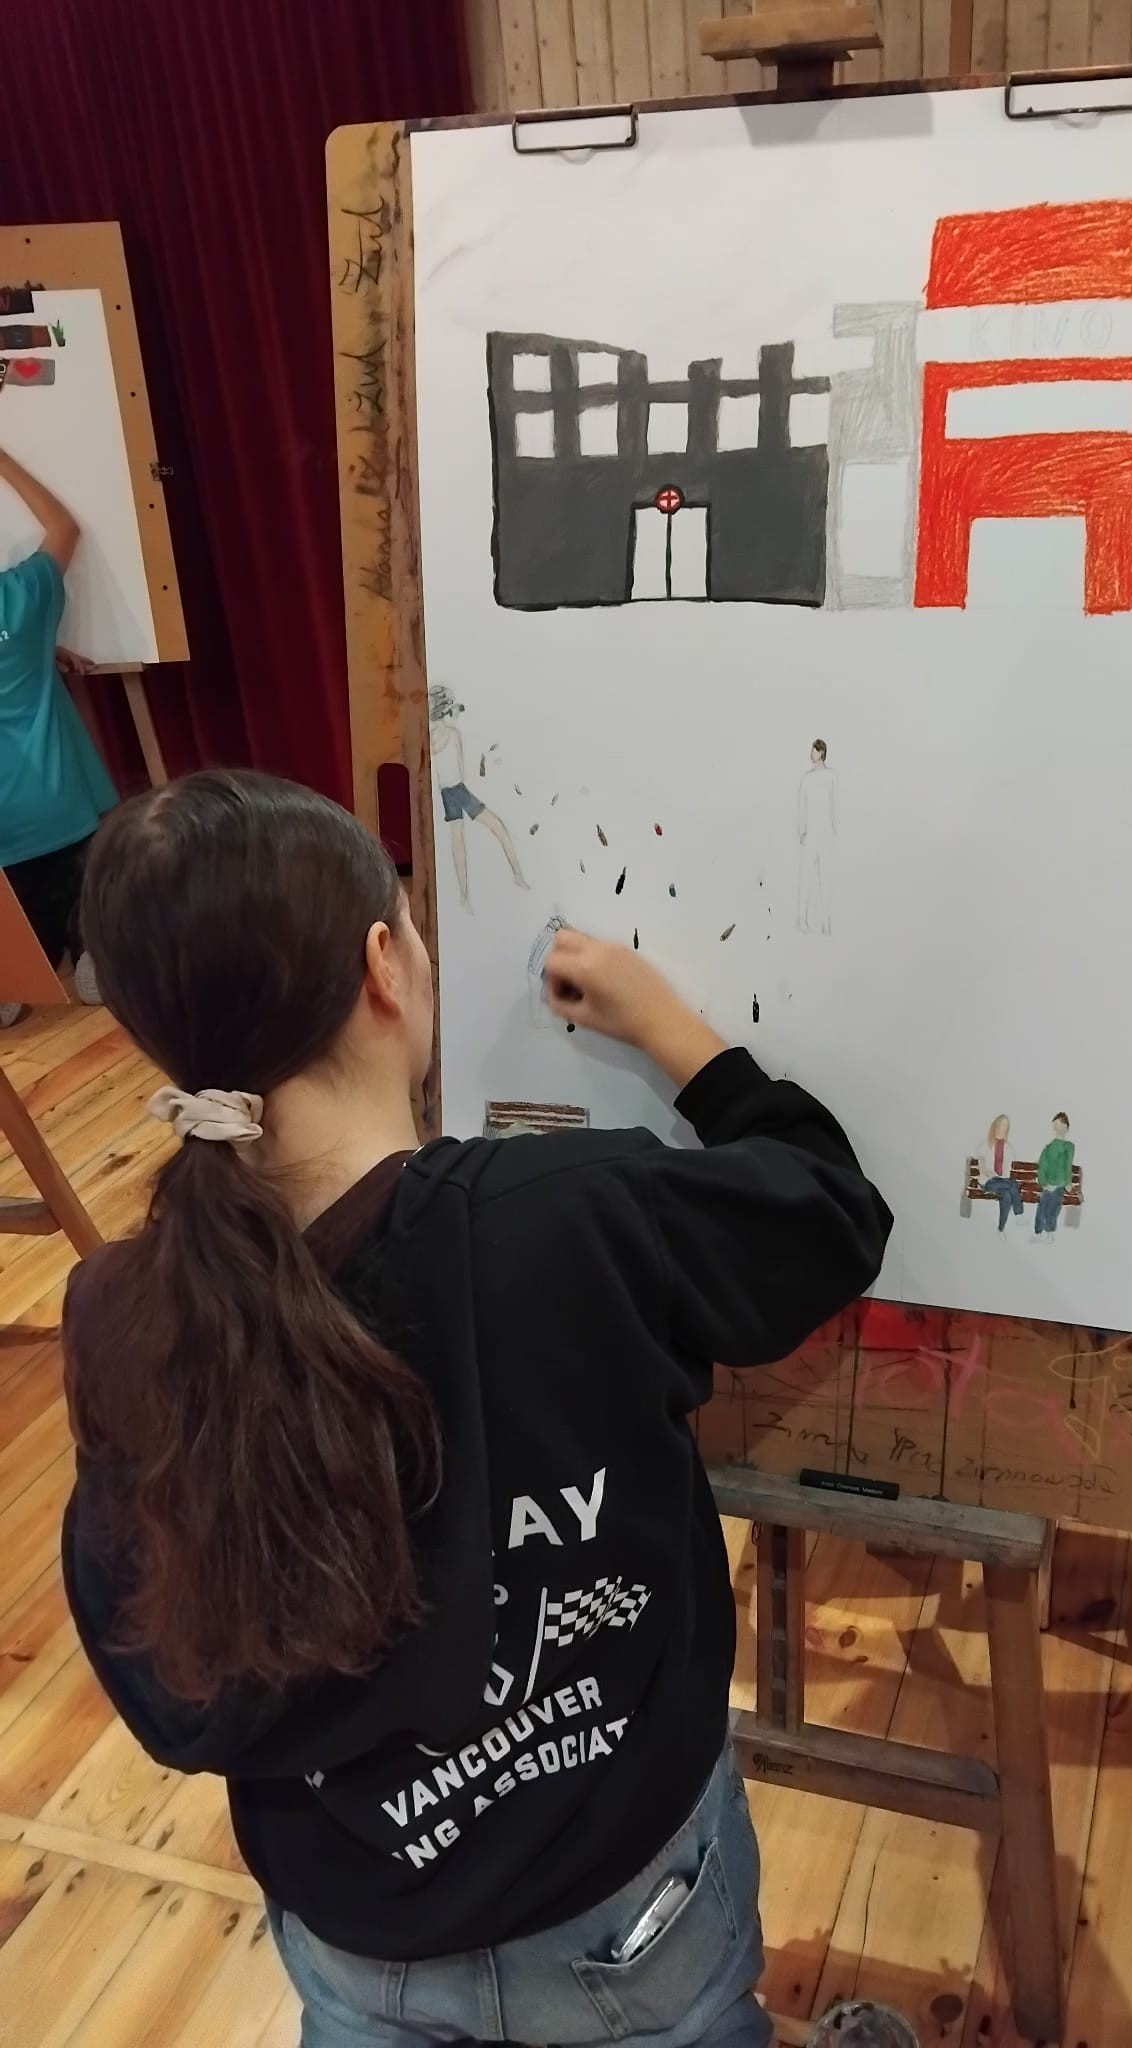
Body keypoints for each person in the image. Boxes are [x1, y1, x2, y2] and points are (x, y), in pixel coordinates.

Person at [60, 770, 892, 2048]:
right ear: (383, 966)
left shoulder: (124, 1310)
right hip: (630, 1911)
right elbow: (829, 1213)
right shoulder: (566, 1214)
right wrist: (676, 1034)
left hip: (361, 1937)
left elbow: (170, 1692)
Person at [0, 441, 114, 1022]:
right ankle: (94, 956)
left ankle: (15, 978)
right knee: (87, 882)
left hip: (5, 829)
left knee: (20, 917)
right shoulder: (18, 600)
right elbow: (63, 527)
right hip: (60, 803)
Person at [429, 683, 527, 909]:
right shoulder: (451, 734)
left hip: (449, 793)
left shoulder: (435, 737)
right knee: (494, 828)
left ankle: (466, 895)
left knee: (460, 843)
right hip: (457, 790)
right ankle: (515, 875)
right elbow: (458, 767)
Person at [796, 739, 836, 936]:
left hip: (825, 835)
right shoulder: (806, 778)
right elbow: (801, 806)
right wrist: (802, 831)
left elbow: (834, 804)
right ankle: (802, 921)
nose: (811, 753)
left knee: (826, 879)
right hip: (810, 835)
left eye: (814, 751)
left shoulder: (831, 776)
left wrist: (834, 830)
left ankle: (826, 923)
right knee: (805, 878)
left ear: (821, 753)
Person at [979, 1112, 1024, 1234]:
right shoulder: (985, 1145)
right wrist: (990, 1173)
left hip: (1002, 1182)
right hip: (987, 1182)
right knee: (1013, 1184)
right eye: (1000, 1126)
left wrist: (1000, 1177)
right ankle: (1019, 1214)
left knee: (1007, 1196)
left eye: (1005, 1128)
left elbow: (1006, 1173)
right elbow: (981, 1167)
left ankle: (1000, 1229)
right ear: (995, 1126)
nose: (1001, 1130)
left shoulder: (1009, 1148)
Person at [1034, 1113, 1075, 1239]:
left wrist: (1067, 1182)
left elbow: (1067, 1165)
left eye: (1060, 1124)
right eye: (1056, 1124)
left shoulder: (1069, 1146)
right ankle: (1038, 1233)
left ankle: (1049, 1233)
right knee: (1042, 1207)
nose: (1057, 1127)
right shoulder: (1048, 1147)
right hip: (1047, 1185)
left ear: (1066, 1127)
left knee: (1053, 1208)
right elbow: (1042, 1166)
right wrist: (1044, 1183)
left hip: (1059, 1185)